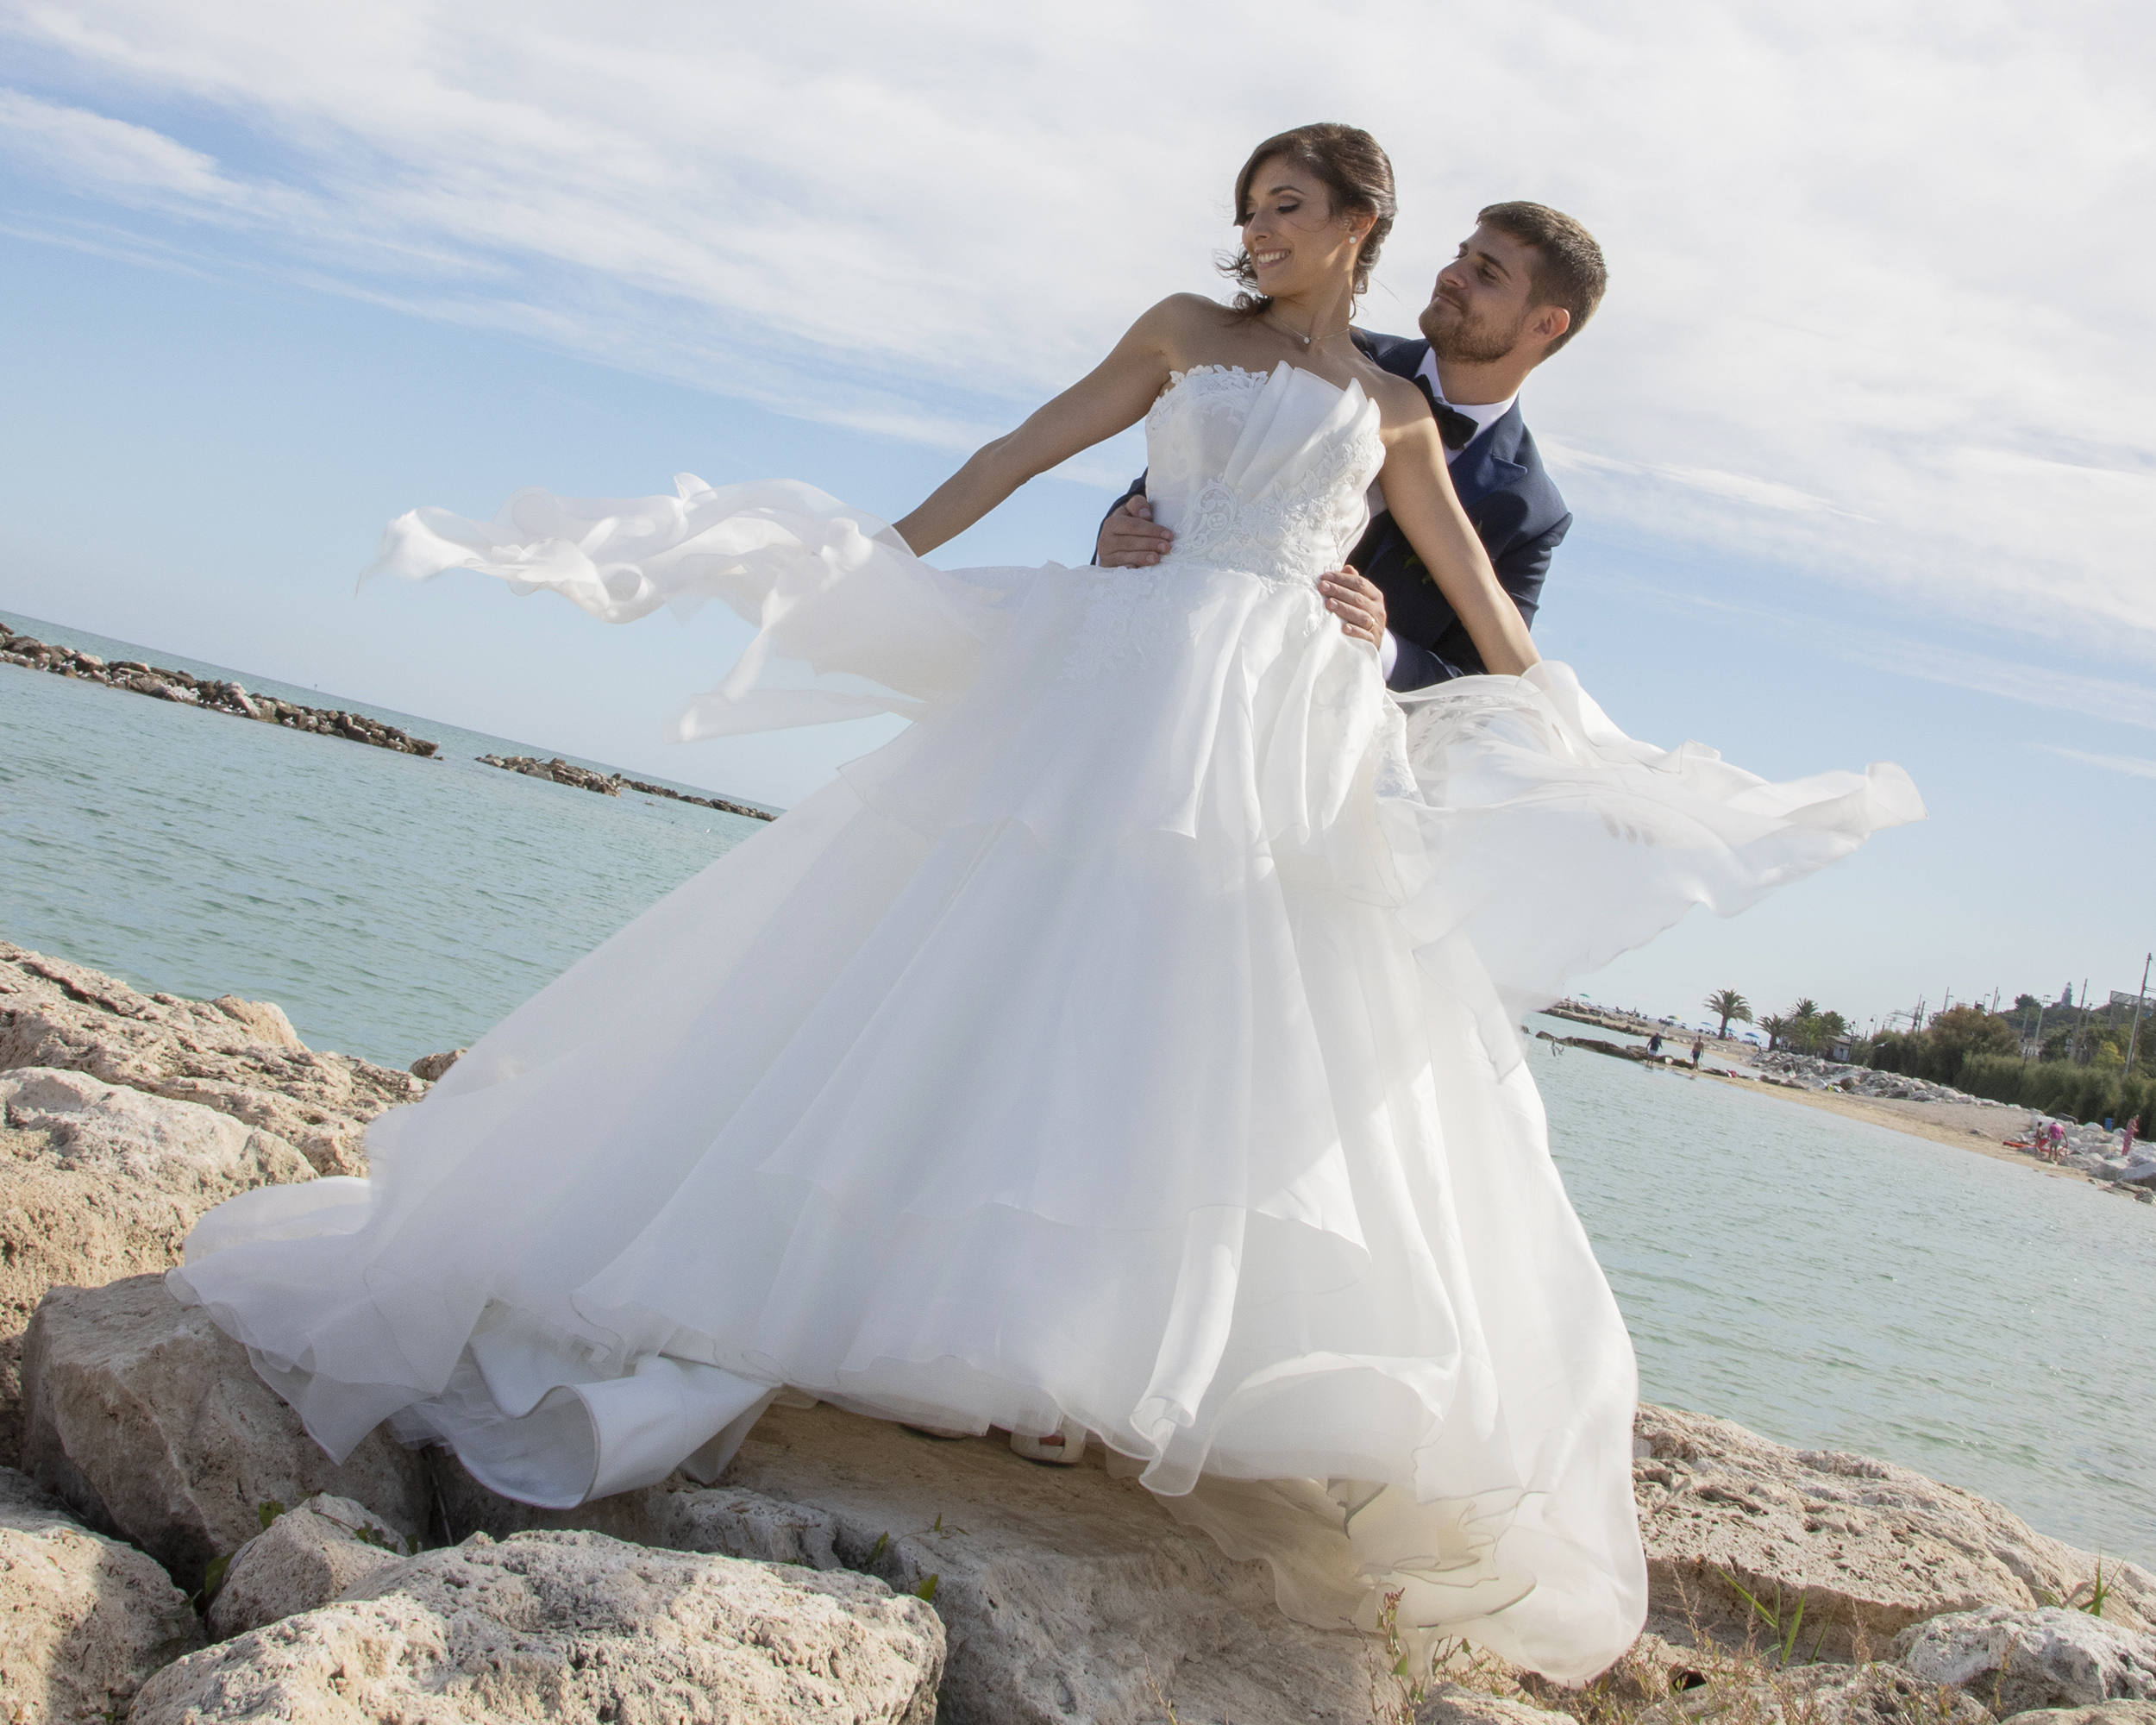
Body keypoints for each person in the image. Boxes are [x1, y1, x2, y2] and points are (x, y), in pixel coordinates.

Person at [168, 124, 1921, 1684]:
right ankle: (888, 1286)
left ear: (1374, 232)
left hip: (1290, 729)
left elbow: (1483, 608)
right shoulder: (1206, 332)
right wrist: (928, 556)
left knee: (1194, 1021)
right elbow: (1056, 447)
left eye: (1291, 210)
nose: (1260, 235)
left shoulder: (1409, 422)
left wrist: (1591, 758)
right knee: (992, 958)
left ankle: (1094, 1356)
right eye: (1251, 210)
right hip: (1125, 673)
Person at [1094, 200, 1601, 691]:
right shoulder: (1326, 352)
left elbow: (1487, 680)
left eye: (1487, 273)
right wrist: (1117, 530)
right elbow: (1186, 462)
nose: (1452, 274)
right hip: (1178, 650)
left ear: (1546, 325)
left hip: (1335, 729)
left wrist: (1380, 647)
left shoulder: (1532, 510)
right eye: (1461, 254)